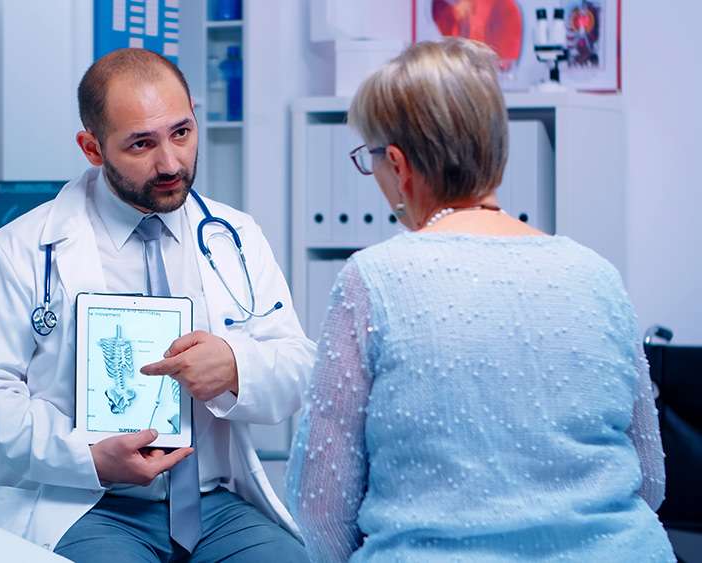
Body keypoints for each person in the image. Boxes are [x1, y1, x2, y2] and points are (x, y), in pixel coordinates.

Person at [286, 38, 674, 562]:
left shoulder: (373, 280)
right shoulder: (597, 274)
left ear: (398, 165)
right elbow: (649, 480)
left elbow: (321, 505)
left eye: (370, 159)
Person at [0, 48, 314, 562]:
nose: (170, 163)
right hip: (86, 502)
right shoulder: (23, 248)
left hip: (214, 505)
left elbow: (298, 365)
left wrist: (234, 367)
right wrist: (87, 458)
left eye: (181, 133)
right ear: (92, 148)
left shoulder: (236, 237)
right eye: (141, 144)